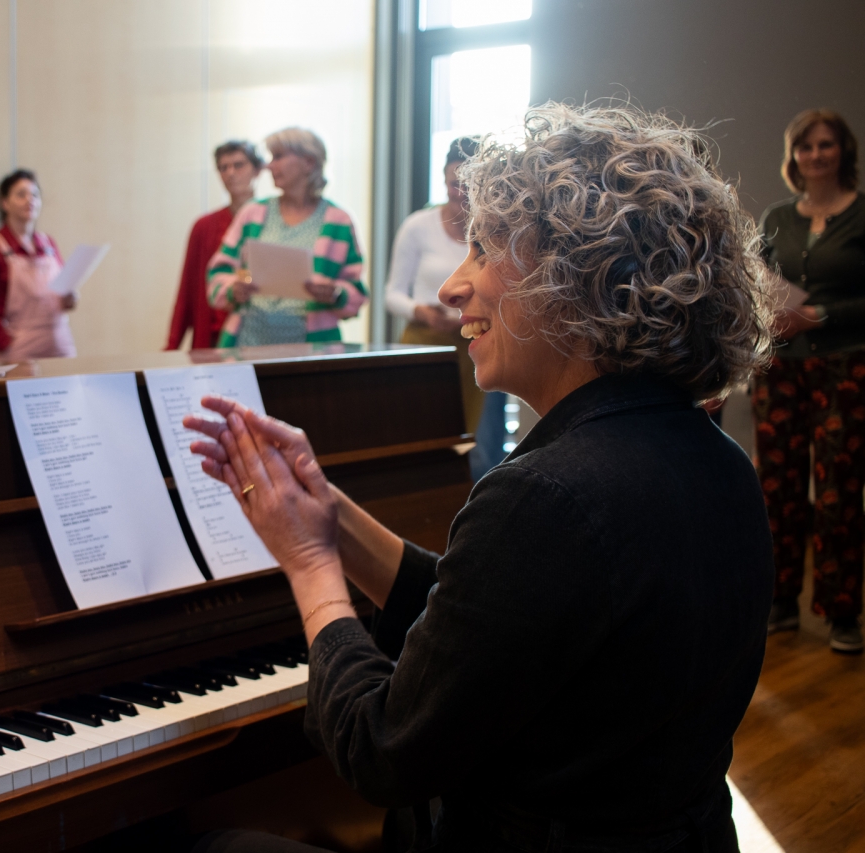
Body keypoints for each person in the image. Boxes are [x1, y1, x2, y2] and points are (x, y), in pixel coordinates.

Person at [186, 104, 775, 852]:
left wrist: (310, 564)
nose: (455, 286)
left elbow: (382, 748)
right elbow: (490, 610)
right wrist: (329, 511)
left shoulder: (546, 493)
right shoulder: (717, 461)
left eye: (485, 249)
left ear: (575, 280)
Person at [753, 109, 865, 654]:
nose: (816, 154)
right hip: (781, 369)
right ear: (793, 156)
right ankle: (780, 601)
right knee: (777, 486)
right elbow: (756, 282)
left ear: (843, 151)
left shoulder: (862, 215)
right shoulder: (776, 217)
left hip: (846, 369)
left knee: (840, 488)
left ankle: (843, 610)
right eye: (806, 146)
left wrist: (818, 315)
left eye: (826, 145)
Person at [386, 136, 506, 479]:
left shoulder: (496, 229)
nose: (461, 193)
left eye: (470, 185)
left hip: (478, 344)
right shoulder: (417, 227)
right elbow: (392, 294)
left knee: (482, 450)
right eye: (455, 184)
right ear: (443, 178)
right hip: (425, 344)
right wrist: (420, 312)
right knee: (418, 441)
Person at [207, 128, 366, 347]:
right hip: (247, 343)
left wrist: (336, 294)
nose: (269, 166)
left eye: (279, 157)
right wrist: (234, 289)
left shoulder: (338, 221)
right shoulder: (252, 213)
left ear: (309, 162)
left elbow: (357, 293)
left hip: (313, 351)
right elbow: (217, 275)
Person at [0, 169, 76, 363]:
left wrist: (69, 299)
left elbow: (61, 292)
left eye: (35, 194)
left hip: (58, 343)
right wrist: (4, 341)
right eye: (21, 194)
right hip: (18, 348)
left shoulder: (48, 244)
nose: (30, 200)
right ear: (4, 203)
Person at [166, 141, 263, 350]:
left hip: (260, 332)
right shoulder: (205, 226)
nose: (231, 173)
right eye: (223, 167)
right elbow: (188, 289)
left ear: (257, 170)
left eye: (238, 165)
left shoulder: (273, 222)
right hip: (213, 333)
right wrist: (172, 345)